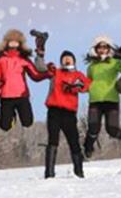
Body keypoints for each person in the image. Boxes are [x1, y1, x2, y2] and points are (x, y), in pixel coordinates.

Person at [83, 36, 121, 158]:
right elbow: (88, 82)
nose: (102, 50)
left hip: (111, 99)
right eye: (100, 47)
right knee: (93, 128)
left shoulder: (114, 62)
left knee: (112, 130)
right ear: (95, 49)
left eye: (105, 47)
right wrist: (81, 88)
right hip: (95, 100)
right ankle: (87, 147)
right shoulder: (91, 66)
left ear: (109, 49)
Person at [44, 50, 90, 179]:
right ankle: (49, 173)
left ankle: (79, 172)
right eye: (64, 58)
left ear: (74, 61)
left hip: (69, 113)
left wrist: (76, 87)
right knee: (53, 140)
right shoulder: (56, 72)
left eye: (69, 58)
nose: (67, 60)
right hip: (54, 111)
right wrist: (48, 65)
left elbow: (87, 86)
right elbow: (44, 68)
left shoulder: (77, 74)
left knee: (73, 141)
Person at [0, 29, 49, 131]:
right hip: (6, 95)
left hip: (21, 95)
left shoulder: (23, 59)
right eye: (11, 40)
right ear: (6, 42)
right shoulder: (0, 59)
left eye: (16, 41)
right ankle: (12, 117)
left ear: (20, 43)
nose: (13, 43)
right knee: (5, 126)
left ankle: (15, 115)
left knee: (27, 122)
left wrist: (47, 74)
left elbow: (35, 75)